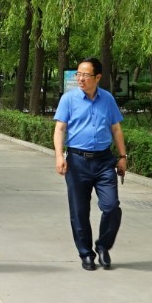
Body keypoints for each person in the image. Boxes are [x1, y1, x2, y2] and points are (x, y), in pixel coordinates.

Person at [53, 57, 127, 271]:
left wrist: (122, 156)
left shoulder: (108, 99)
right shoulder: (68, 99)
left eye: (85, 75)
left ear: (98, 77)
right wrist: (59, 156)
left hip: (104, 161)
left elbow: (116, 129)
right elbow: (59, 129)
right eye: (78, 74)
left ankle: (103, 245)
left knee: (111, 207)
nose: (80, 78)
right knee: (79, 211)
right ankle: (86, 253)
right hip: (77, 162)